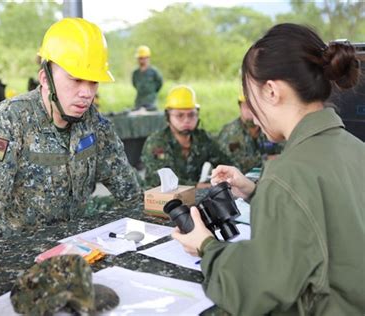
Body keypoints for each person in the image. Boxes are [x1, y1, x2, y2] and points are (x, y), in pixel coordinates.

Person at [172, 23, 364, 315]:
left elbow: (257, 290)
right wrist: (255, 191)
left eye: (251, 97)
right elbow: (325, 219)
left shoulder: (287, 173)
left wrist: (206, 247)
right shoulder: (355, 148)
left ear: (272, 91)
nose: (251, 111)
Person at [0, 18, 143, 243]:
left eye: (93, 83)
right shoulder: (9, 121)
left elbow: (129, 192)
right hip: (20, 255)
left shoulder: (94, 124)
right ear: (45, 79)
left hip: (77, 249)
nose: (86, 93)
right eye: (76, 80)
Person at [141, 85, 232, 188]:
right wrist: (199, 186)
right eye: (180, 115)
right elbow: (162, 180)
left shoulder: (202, 138)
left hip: (193, 199)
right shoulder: (156, 142)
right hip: (160, 199)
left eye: (191, 115)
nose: (186, 120)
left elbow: (226, 164)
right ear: (168, 117)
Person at [217, 93, 283, 173]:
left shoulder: (271, 128)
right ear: (240, 107)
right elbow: (238, 164)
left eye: (254, 106)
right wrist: (268, 159)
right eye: (247, 106)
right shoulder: (229, 132)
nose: (251, 111)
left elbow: (286, 153)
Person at [132, 45, 163, 111]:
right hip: (139, 102)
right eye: (140, 58)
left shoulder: (154, 72)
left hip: (150, 102)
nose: (142, 60)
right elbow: (134, 84)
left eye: (143, 58)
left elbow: (159, 83)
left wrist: (151, 92)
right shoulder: (135, 73)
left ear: (148, 58)